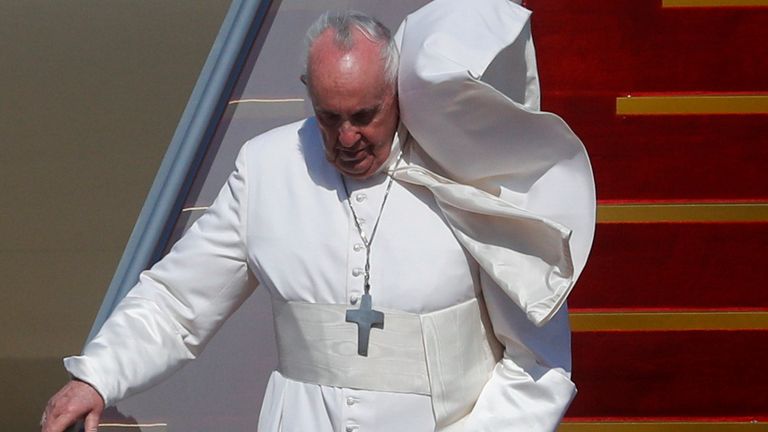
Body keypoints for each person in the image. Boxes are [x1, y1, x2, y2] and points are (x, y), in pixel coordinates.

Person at [42, 1, 595, 431]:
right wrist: (98, 376)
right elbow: (178, 302)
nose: (347, 137)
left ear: (396, 92)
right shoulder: (266, 170)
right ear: (307, 94)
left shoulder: (469, 176)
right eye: (329, 117)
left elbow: (538, 364)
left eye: (364, 116)